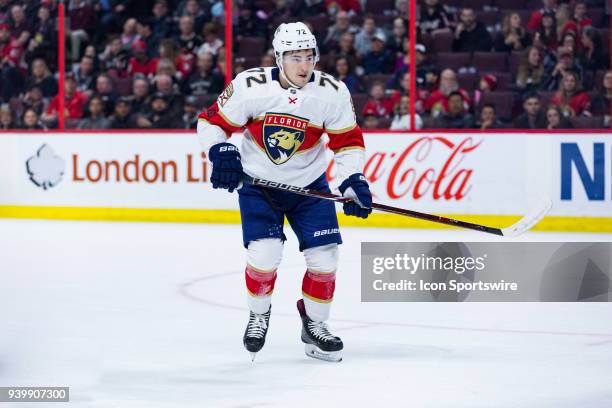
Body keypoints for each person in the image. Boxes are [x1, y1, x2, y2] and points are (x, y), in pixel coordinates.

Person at [196, 22, 371, 363]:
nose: (305, 66)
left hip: (310, 188)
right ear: (278, 58)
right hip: (259, 187)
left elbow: (347, 142)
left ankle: (315, 325)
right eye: (295, 58)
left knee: (326, 259)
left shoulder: (331, 92)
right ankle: (259, 314)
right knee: (264, 255)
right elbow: (211, 123)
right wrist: (221, 152)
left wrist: (352, 180)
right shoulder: (250, 86)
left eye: (310, 57)